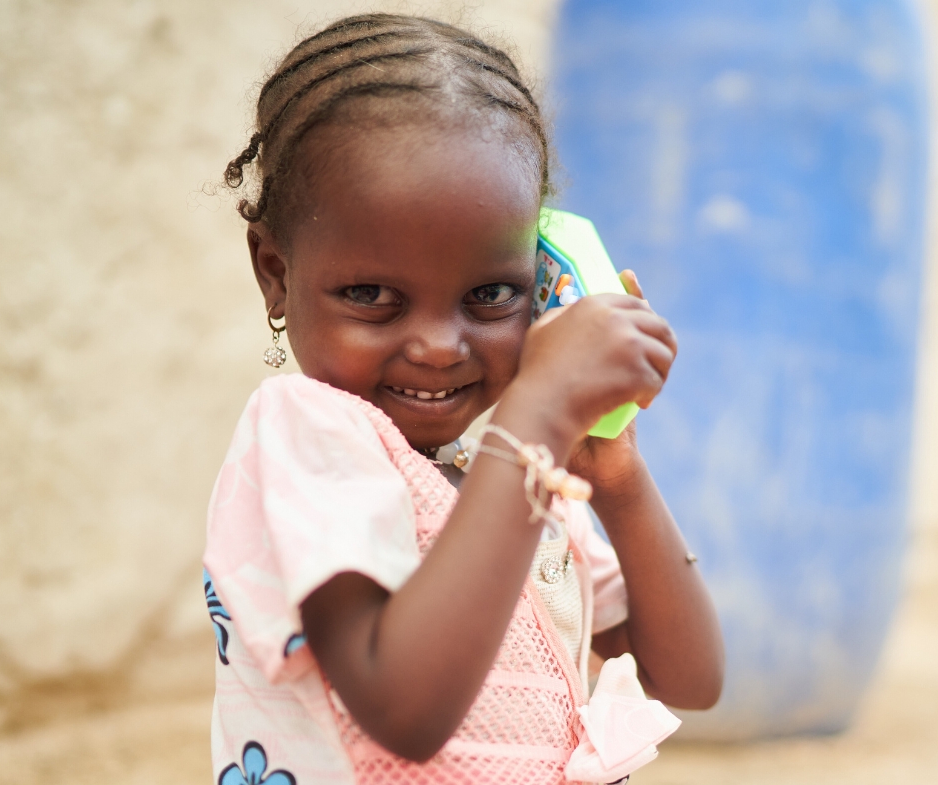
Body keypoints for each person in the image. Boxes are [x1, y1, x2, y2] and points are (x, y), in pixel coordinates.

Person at [203, 13, 723, 785]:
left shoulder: (508, 464)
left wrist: (616, 474)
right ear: (275, 273)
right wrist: (536, 412)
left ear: (545, 280)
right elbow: (404, 709)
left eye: (490, 294)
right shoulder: (306, 434)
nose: (441, 345)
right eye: (372, 295)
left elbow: (690, 678)